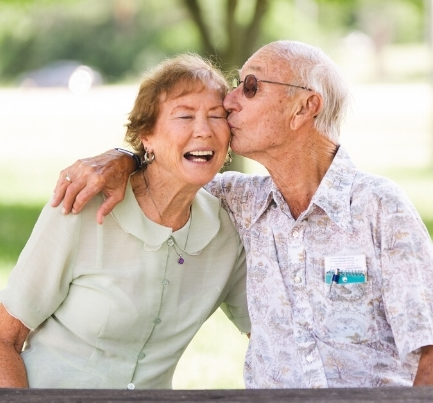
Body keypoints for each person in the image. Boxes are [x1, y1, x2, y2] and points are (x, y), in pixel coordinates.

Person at [50, 40, 433, 389]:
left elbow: (429, 352)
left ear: (305, 107)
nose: (229, 101)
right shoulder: (237, 199)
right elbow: (167, 169)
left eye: (251, 86)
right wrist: (124, 158)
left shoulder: (379, 207)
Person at [0, 54, 250, 389]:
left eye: (217, 116)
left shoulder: (228, 233)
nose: (203, 130)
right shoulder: (81, 209)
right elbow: (1, 339)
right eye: (184, 115)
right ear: (147, 136)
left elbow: (268, 337)